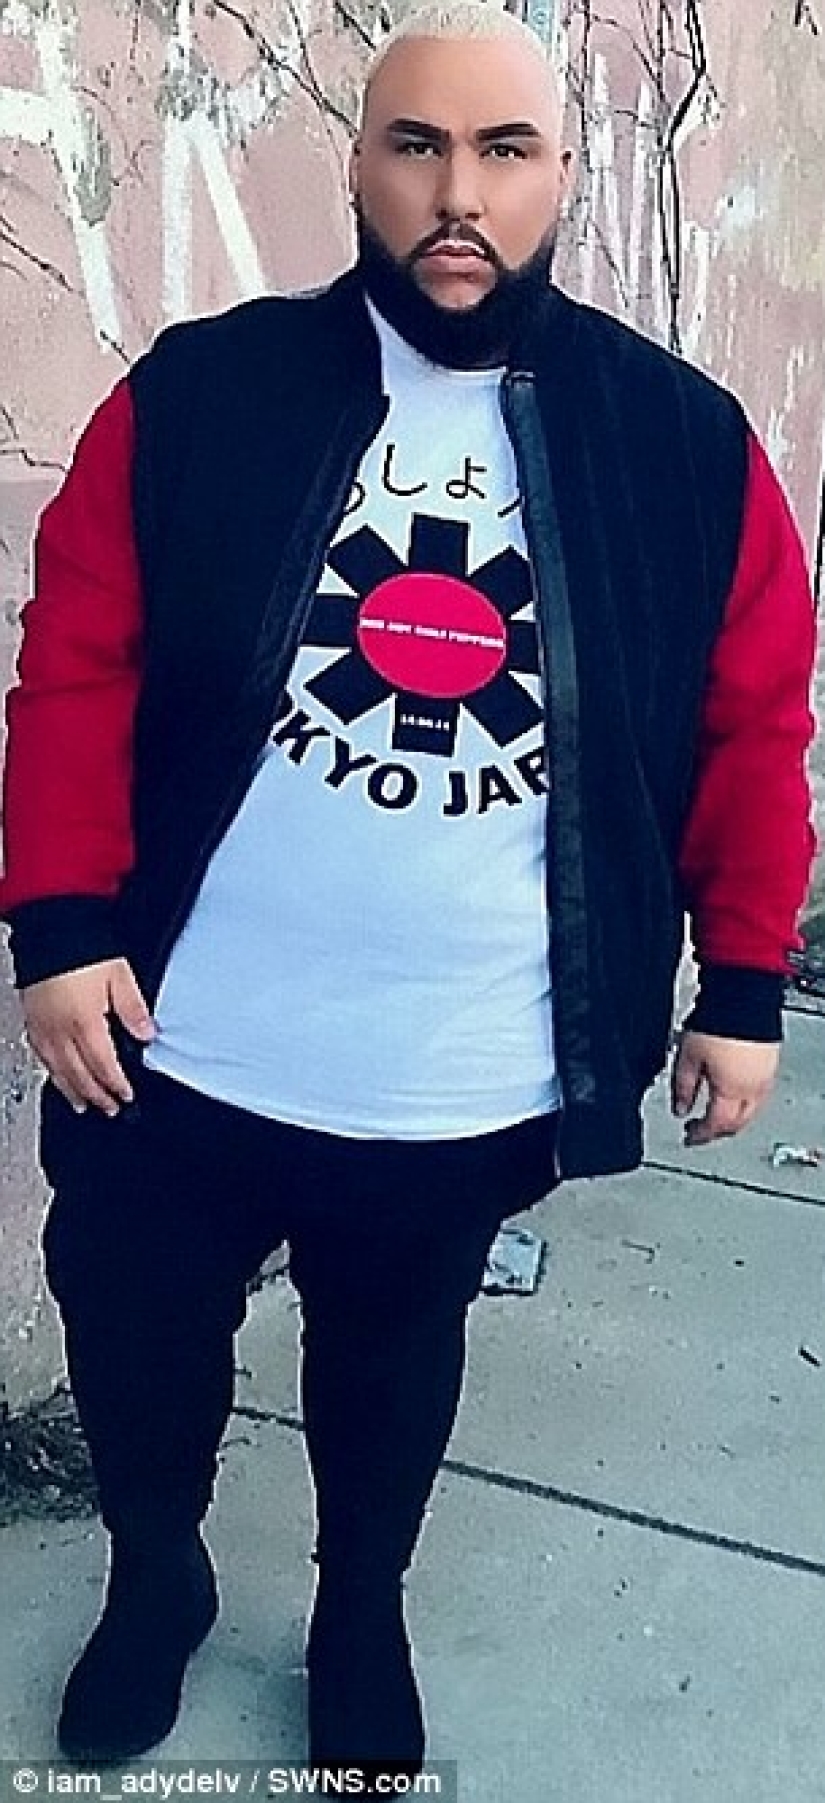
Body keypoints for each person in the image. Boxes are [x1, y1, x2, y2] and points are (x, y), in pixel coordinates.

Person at [0, 0, 817, 1780]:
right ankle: (156, 1581)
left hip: (460, 1060)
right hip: (171, 1037)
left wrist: (743, 983)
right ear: (359, 165)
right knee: (137, 1345)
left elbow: (753, 726)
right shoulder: (202, 394)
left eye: (503, 150)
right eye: (417, 145)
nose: (460, 193)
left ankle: (358, 1605)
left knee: (391, 1356)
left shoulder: (678, 442)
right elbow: (76, 666)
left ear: (562, 175)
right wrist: (57, 925)